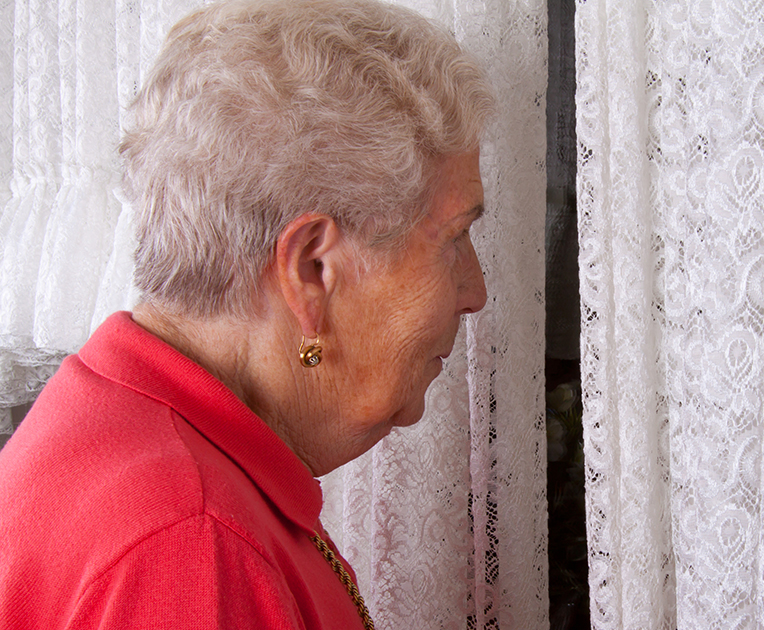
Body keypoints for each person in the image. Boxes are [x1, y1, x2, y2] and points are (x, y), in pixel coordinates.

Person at [0, 0, 493, 627]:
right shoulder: (193, 549)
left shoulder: (129, 428)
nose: (476, 290)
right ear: (312, 271)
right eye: (454, 238)